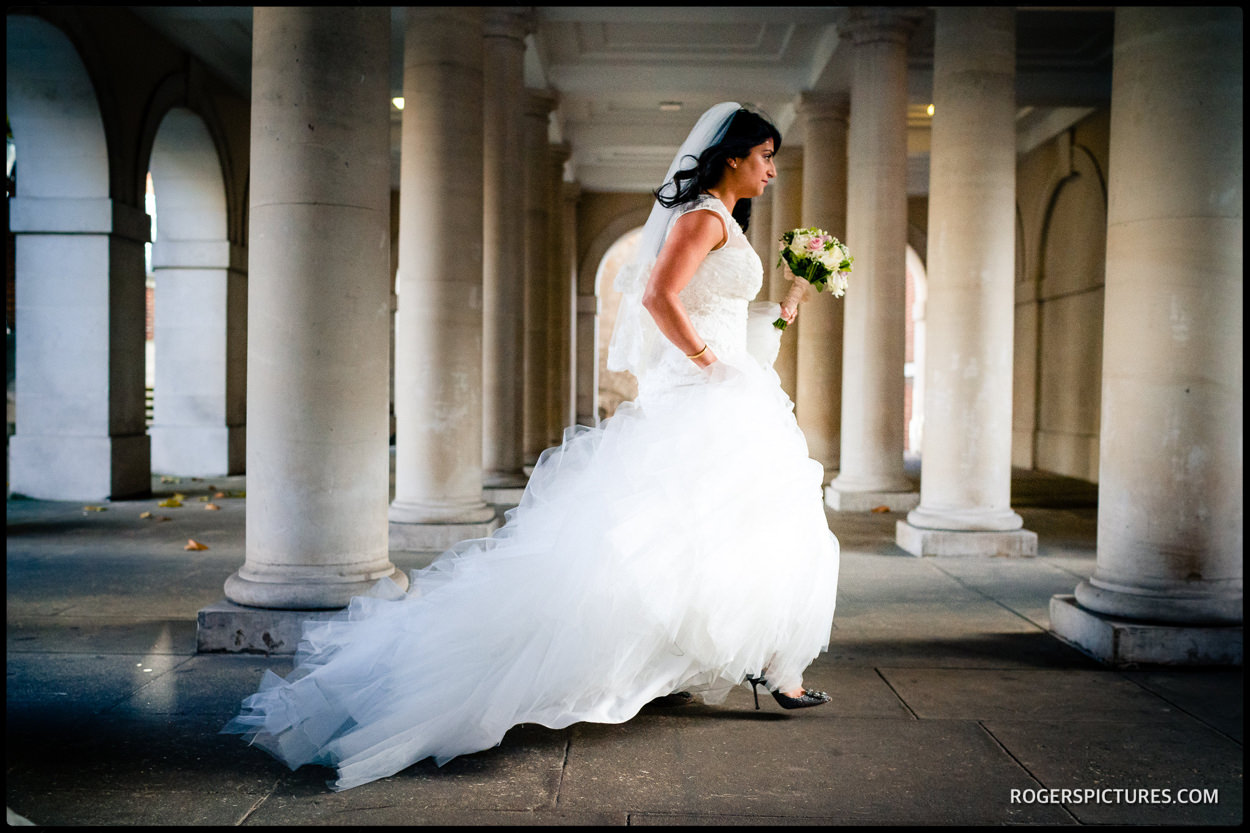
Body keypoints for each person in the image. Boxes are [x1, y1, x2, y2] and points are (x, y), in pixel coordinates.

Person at [222, 102, 839, 792]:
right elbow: (659, 298)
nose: (771, 169)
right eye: (764, 156)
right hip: (710, 390)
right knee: (698, 527)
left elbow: (719, 312)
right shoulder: (702, 217)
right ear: (733, 157)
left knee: (739, 522)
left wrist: (790, 301)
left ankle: (760, 662)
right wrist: (708, 363)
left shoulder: (723, 223)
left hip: (731, 388)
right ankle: (767, 666)